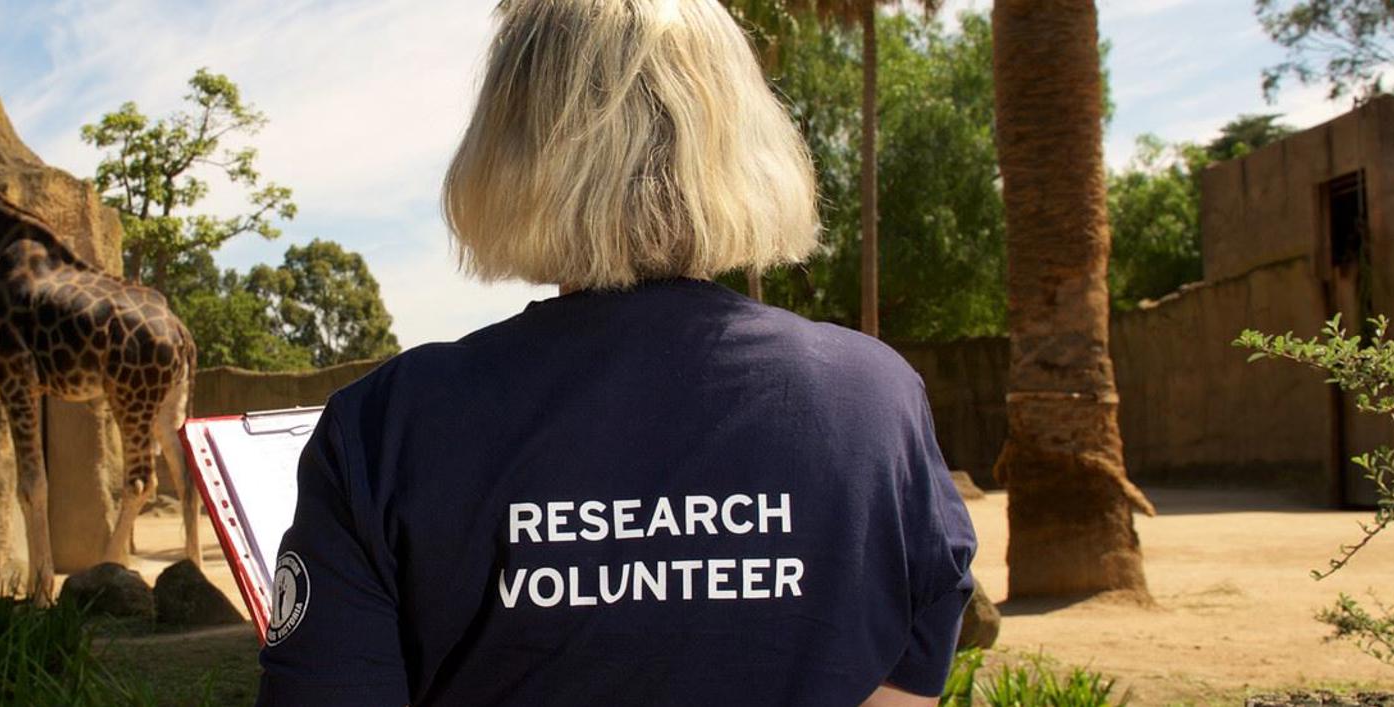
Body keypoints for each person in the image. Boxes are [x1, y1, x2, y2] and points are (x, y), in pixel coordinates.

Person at [254, 0, 978, 704]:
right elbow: (912, 663)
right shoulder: (877, 402)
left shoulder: (388, 426)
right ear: (741, 140)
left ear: (510, 148)